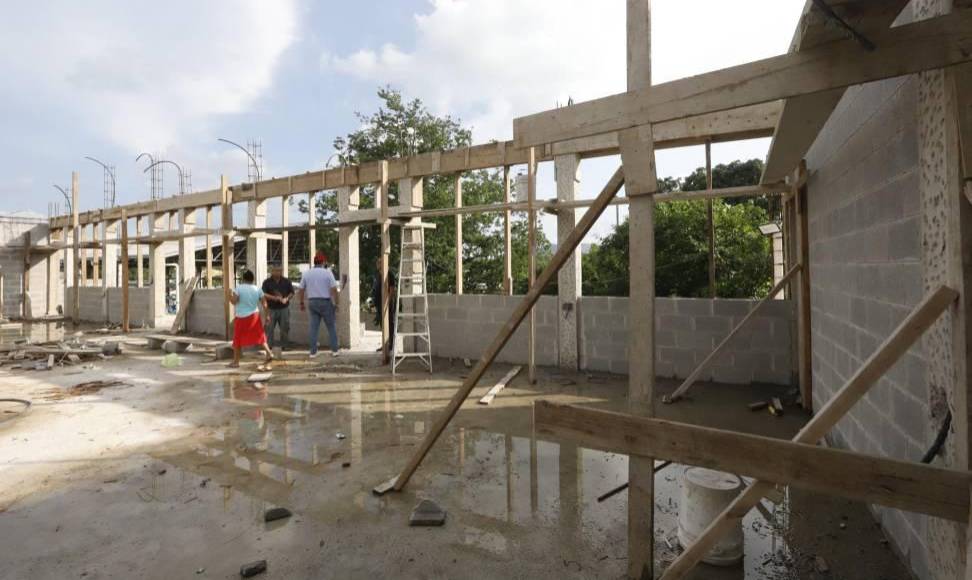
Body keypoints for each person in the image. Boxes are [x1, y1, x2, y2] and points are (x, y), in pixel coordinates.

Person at [298, 251, 340, 357]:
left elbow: (301, 289)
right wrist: (337, 303)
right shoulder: (327, 273)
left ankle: (313, 352)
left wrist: (301, 302)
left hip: (312, 302)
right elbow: (334, 289)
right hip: (325, 302)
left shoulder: (307, 273)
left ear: (314, 262)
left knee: (313, 328)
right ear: (323, 262)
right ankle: (335, 350)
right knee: (331, 327)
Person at [228, 269, 273, 368]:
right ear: (252, 279)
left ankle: (236, 362)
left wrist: (229, 295)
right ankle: (269, 353)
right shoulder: (257, 289)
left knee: (237, 339)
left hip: (241, 317)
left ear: (243, 279)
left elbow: (234, 302)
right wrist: (267, 315)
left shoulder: (238, 288)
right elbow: (264, 303)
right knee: (260, 336)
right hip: (254, 316)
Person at [262, 265, 294, 349]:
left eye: (279, 270)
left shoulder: (286, 281)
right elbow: (263, 294)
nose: (277, 272)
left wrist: (286, 298)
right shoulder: (267, 282)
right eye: (275, 270)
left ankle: (285, 346)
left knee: (285, 328)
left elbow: (291, 292)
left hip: (284, 308)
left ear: (281, 271)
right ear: (272, 271)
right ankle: (269, 346)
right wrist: (274, 298)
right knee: (269, 328)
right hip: (271, 309)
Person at [371, 257, 396, 357]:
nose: (377, 264)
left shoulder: (389, 274)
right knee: (383, 324)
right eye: (377, 262)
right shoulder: (378, 274)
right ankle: (385, 344)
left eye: (380, 262)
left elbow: (392, 289)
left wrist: (387, 302)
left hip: (387, 303)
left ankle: (391, 345)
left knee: (389, 324)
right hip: (379, 303)